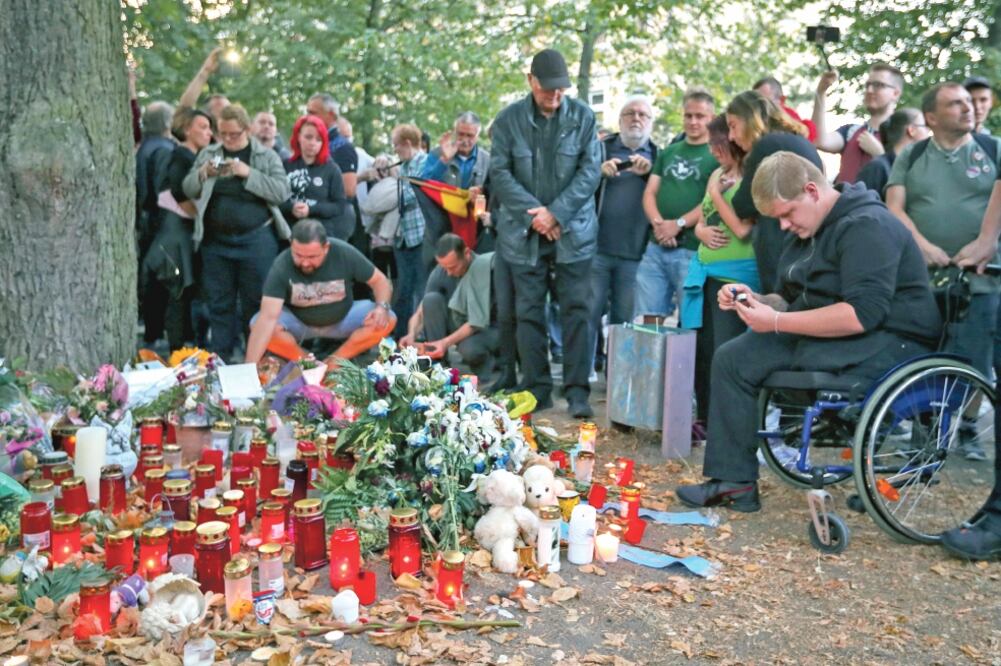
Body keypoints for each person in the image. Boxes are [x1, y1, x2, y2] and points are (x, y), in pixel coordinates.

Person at [676, 152, 941, 511]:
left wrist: (776, 322)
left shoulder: (868, 225)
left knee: (794, 356)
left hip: (893, 337)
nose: (783, 226)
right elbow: (787, 299)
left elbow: (861, 314)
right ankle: (733, 482)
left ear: (812, 191)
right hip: (834, 331)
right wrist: (753, 298)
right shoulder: (810, 227)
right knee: (733, 358)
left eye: (786, 214)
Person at [886, 82, 1001, 460]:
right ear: (931, 117)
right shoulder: (914, 154)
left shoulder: (991, 148)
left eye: (969, 102)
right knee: (922, 352)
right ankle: (925, 434)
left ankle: (968, 426)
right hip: (923, 276)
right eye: (955, 104)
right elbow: (894, 206)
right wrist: (921, 243)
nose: (967, 108)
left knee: (975, 356)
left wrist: (986, 240)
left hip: (982, 277)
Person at [489, 48, 601, 417]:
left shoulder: (583, 117)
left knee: (577, 310)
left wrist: (556, 214)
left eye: (560, 90)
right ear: (530, 81)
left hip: (574, 232)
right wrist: (534, 216)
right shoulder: (507, 121)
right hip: (523, 235)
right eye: (547, 89)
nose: (554, 96)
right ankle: (536, 387)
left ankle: (577, 390)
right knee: (529, 311)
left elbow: (590, 171)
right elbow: (500, 174)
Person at [182, 103, 292, 360]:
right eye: (223, 134)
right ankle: (220, 359)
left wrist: (247, 173)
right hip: (216, 242)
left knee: (256, 303)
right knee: (219, 304)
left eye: (234, 134)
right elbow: (187, 189)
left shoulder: (265, 156)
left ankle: (256, 360)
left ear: (247, 130)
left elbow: (281, 191)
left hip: (257, 240)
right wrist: (202, 173)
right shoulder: (209, 153)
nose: (229, 140)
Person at [682, 115, 758, 430]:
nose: (714, 150)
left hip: (736, 278)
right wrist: (700, 231)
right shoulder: (718, 174)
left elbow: (742, 230)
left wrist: (715, 193)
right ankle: (706, 418)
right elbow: (704, 219)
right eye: (711, 144)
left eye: (719, 143)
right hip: (706, 274)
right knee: (703, 351)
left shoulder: (750, 178)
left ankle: (728, 422)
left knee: (725, 353)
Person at [245, 220, 395, 369]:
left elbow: (380, 281)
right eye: (298, 255)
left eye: (312, 257)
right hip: (300, 322)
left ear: (326, 248)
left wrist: (382, 307)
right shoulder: (282, 264)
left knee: (387, 319)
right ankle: (307, 362)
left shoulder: (344, 253)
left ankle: (334, 362)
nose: (305, 263)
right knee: (257, 323)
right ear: (291, 245)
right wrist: (248, 369)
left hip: (344, 317)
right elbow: (267, 319)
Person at [726, 90, 822, 294]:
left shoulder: (767, 145)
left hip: (781, 252)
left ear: (750, 118)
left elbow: (743, 204)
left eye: (733, 126)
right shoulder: (799, 142)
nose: (731, 137)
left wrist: (717, 192)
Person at [635, 88, 718, 322]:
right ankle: (652, 360)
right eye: (688, 115)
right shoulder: (669, 152)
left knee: (690, 321)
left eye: (700, 116)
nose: (693, 121)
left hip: (691, 248)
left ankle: (683, 362)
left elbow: (711, 201)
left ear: (711, 118)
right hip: (656, 246)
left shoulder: (717, 154)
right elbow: (650, 192)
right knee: (650, 317)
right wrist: (660, 226)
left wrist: (678, 225)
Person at [591, 96, 657, 369]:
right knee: (589, 314)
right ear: (619, 120)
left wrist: (648, 175)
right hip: (596, 248)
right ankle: (587, 370)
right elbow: (578, 186)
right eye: (630, 113)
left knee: (623, 319)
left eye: (642, 114)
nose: (636, 118)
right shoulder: (602, 149)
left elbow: (664, 200)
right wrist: (598, 174)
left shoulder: (659, 155)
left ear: (651, 122)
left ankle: (615, 376)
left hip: (635, 252)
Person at [143, 108, 215, 352]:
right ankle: (178, 350)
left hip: (180, 233)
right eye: (203, 127)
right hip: (177, 234)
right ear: (187, 130)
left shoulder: (190, 156)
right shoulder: (180, 156)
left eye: (209, 127)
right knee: (178, 294)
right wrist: (202, 217)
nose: (208, 132)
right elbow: (178, 192)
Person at [400, 234, 498, 381]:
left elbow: (476, 322)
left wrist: (445, 343)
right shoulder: (443, 269)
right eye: (444, 267)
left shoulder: (481, 268)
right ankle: (438, 365)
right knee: (431, 300)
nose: (448, 272)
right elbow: (421, 311)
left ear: (466, 253)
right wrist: (411, 334)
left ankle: (492, 367)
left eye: (452, 267)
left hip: (488, 327)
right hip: (460, 322)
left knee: (469, 348)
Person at [812, 63, 904, 183]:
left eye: (878, 85)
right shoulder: (851, 131)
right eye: (868, 85)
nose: (870, 90)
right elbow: (819, 141)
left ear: (895, 93)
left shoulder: (904, 135)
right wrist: (821, 91)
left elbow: (907, 181)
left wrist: (880, 155)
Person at [388, 124, 431, 339]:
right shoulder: (403, 165)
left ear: (407, 143)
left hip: (421, 234)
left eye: (396, 145)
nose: (394, 150)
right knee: (403, 288)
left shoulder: (425, 162)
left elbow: (417, 193)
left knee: (421, 288)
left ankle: (421, 335)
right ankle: (399, 335)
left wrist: (394, 182)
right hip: (404, 236)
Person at [279, 115, 351, 241]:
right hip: (288, 233)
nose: (313, 143)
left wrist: (311, 210)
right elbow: (274, 199)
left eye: (318, 139)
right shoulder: (284, 165)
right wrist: (291, 208)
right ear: (298, 137)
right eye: (308, 137)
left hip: (321, 234)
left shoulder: (331, 169)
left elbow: (339, 206)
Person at [855, 108, 928, 199]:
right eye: (925, 126)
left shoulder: (913, 168)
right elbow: (860, 207)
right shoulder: (877, 167)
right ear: (912, 130)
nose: (928, 132)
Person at [305, 93, 359, 199]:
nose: (307, 117)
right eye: (307, 113)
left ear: (330, 115)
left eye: (312, 113)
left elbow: (349, 190)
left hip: (338, 213)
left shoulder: (343, 147)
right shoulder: (311, 145)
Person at [421, 112, 491, 191]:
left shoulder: (487, 160)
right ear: (454, 132)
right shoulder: (436, 153)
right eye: (461, 134)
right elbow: (424, 185)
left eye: (470, 135)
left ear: (477, 137)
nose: (465, 140)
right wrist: (444, 160)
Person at [753, 75, 817, 142]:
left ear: (781, 100)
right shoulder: (752, 119)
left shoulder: (795, 122)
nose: (759, 107)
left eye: (765, 102)